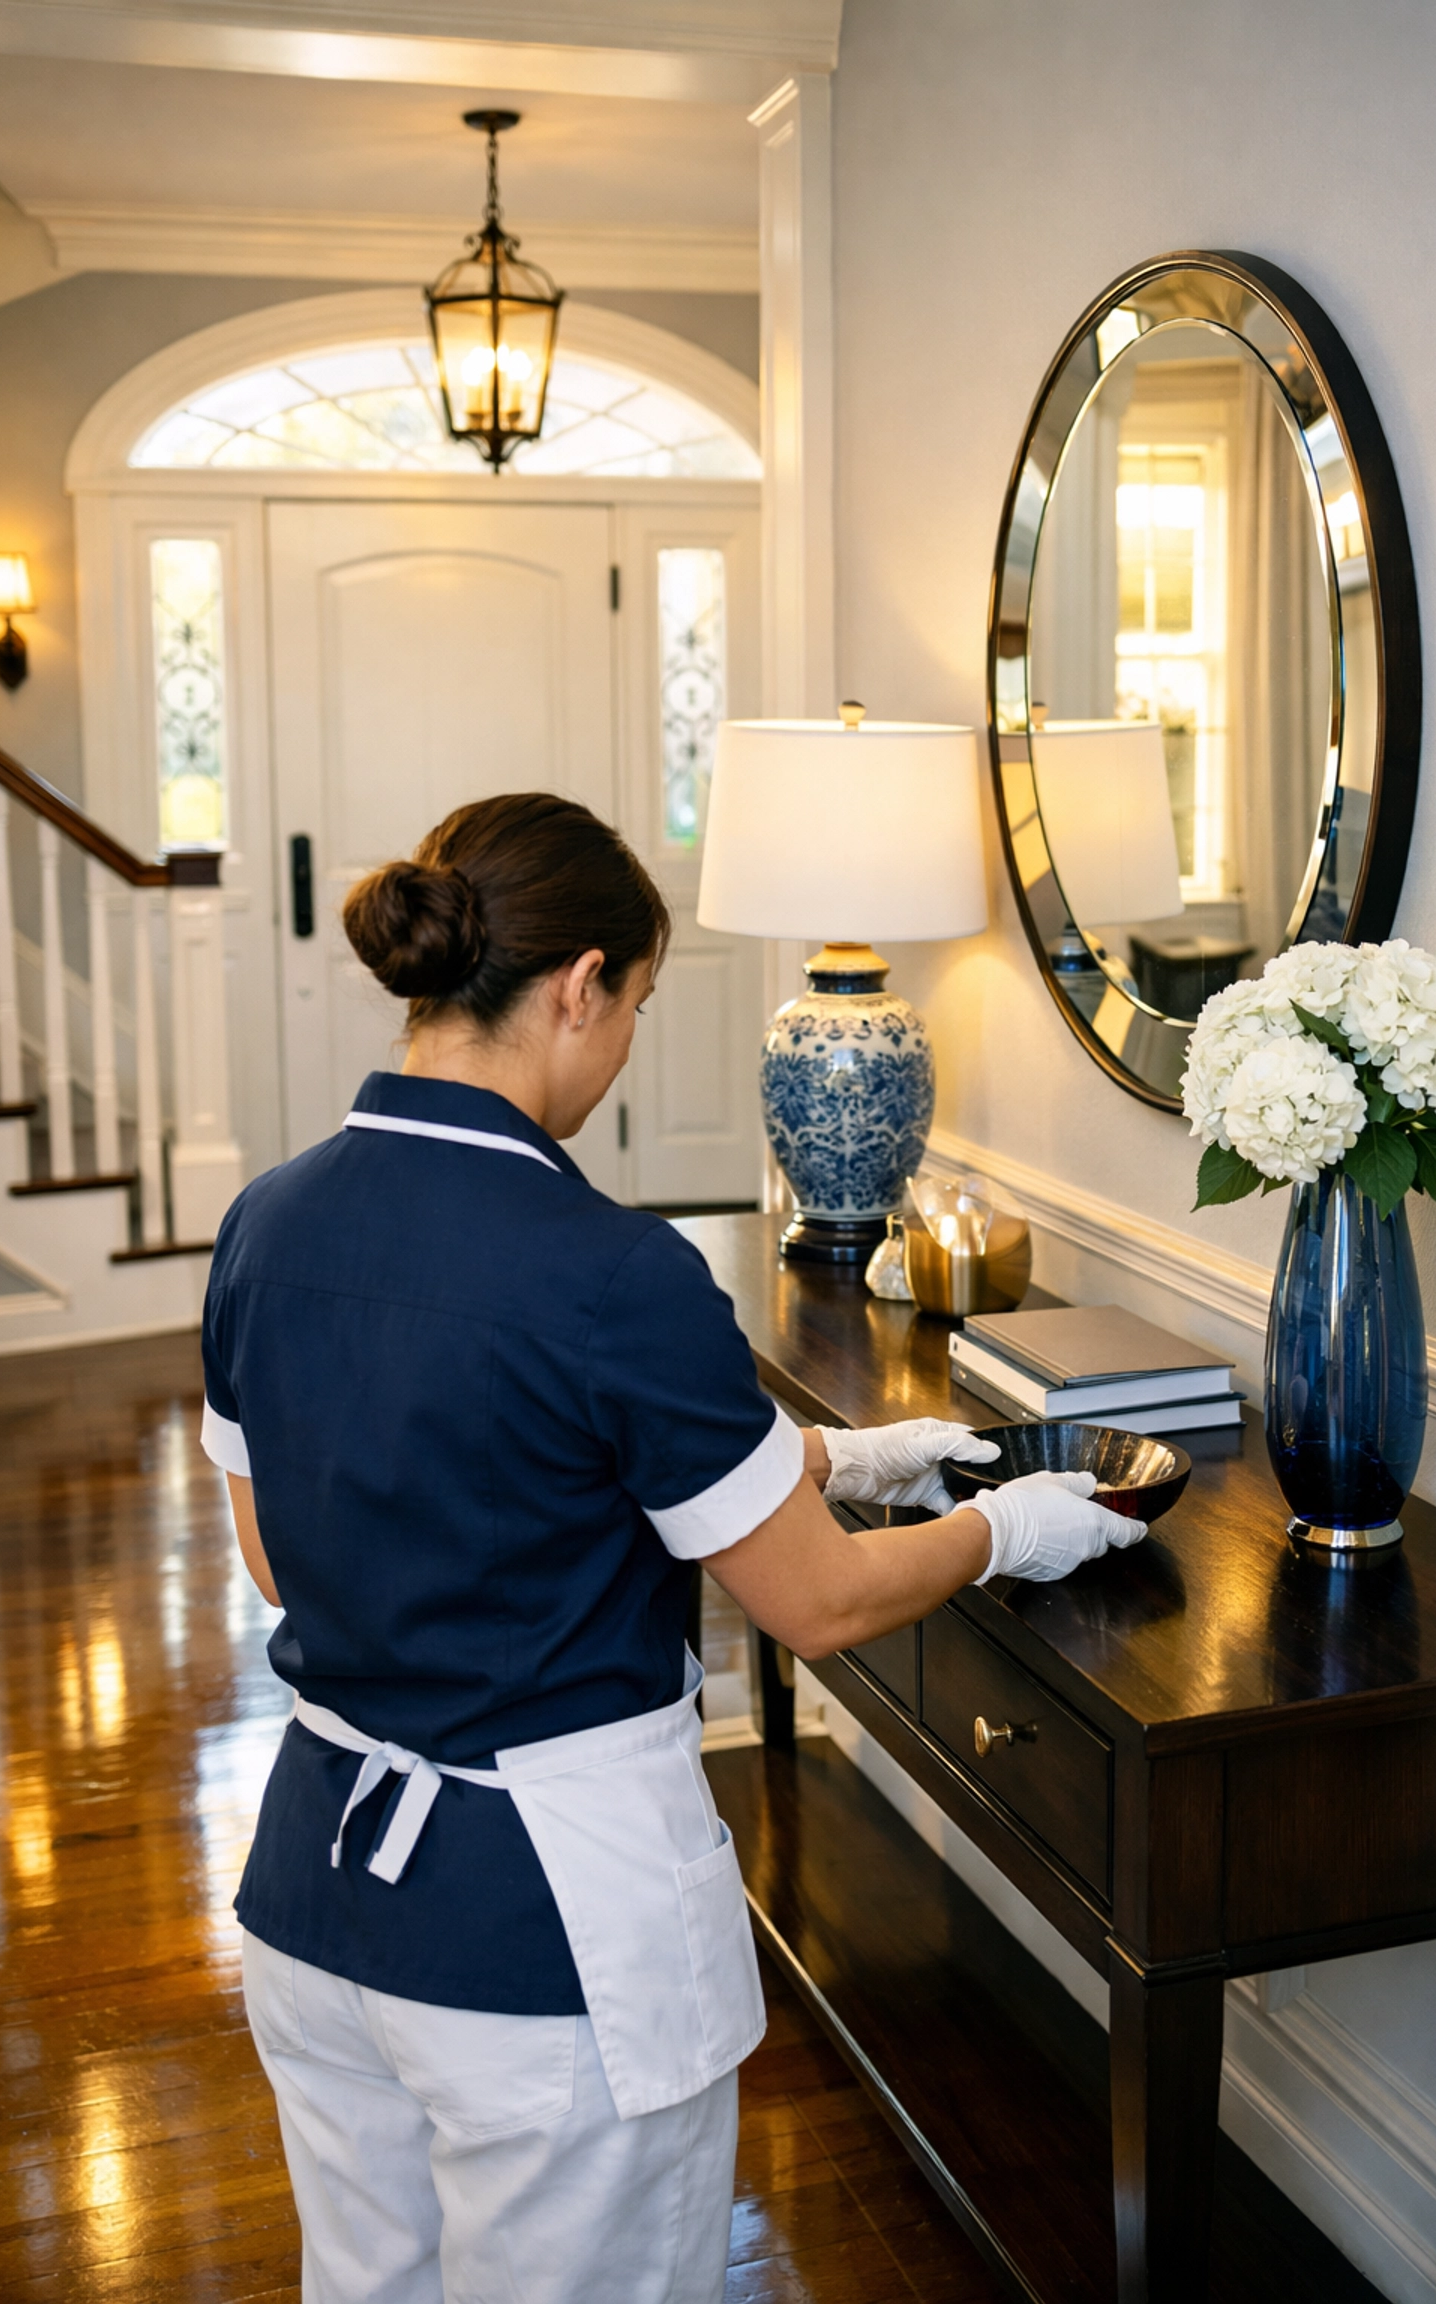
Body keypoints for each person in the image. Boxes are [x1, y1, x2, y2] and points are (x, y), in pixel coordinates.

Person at [200, 792, 1141, 2304]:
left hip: (320, 1908)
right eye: (634, 1001)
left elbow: (292, 1541)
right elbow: (819, 1604)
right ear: (578, 984)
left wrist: (819, 1455)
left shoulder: (266, 1221)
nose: (628, 1039)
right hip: (541, 1940)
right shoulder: (611, 1272)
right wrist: (1001, 1528)